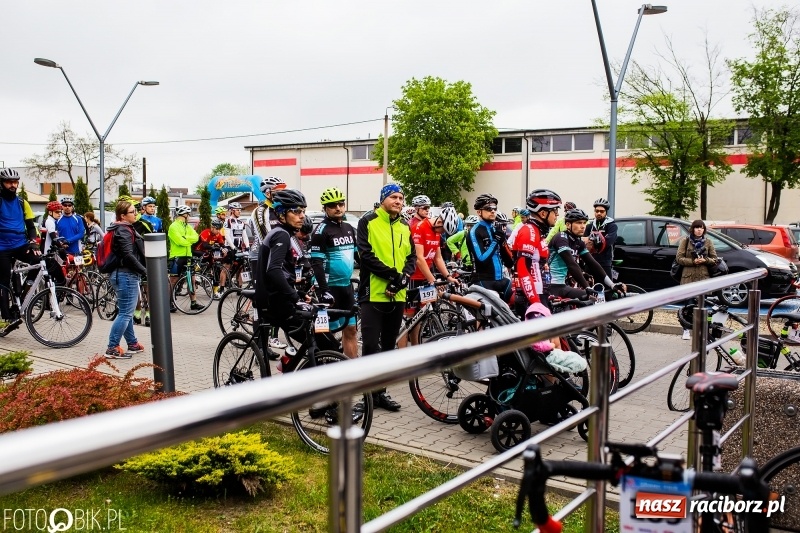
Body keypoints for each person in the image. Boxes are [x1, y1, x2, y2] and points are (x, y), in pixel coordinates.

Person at [356, 184, 416, 411]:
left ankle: (381, 393)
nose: (399, 201)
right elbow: (365, 255)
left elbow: (411, 257)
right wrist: (392, 275)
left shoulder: (404, 225)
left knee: (389, 347)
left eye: (401, 197)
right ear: (383, 199)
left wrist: (403, 278)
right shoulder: (368, 221)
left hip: (397, 293)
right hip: (373, 293)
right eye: (394, 197)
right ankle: (367, 397)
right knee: (371, 346)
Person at [310, 187, 358, 358]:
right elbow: (316, 263)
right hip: (329, 288)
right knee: (326, 334)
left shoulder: (349, 228)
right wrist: (323, 291)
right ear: (325, 208)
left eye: (341, 204)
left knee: (351, 329)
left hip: (346, 286)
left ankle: (352, 371)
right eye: (332, 205)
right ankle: (325, 367)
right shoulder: (321, 231)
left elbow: (359, 255)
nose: (338, 208)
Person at [399, 212, 458, 348]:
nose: (442, 233)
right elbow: (419, 258)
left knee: (419, 318)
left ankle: (416, 351)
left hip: (425, 278)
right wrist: (433, 281)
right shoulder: (420, 227)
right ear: (438, 222)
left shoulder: (437, 232)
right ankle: (401, 357)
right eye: (442, 230)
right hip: (412, 277)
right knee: (406, 320)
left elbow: (437, 258)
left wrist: (448, 276)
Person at [548, 208, 624, 300]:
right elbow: (571, 264)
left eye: (584, 223)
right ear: (568, 225)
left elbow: (592, 263)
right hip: (550, 285)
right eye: (579, 223)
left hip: (562, 285)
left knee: (592, 300)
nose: (583, 226)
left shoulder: (578, 242)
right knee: (589, 298)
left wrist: (612, 285)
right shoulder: (561, 238)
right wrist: (587, 287)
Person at [248, 176, 288, 349]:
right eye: (279, 191)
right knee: (262, 304)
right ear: (268, 192)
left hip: (277, 258)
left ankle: (271, 338)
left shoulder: (281, 210)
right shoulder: (260, 211)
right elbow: (265, 237)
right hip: (260, 258)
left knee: (278, 300)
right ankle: (260, 346)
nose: (282, 194)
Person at [104, 200, 147, 359]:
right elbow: (128, 255)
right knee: (125, 314)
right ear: (122, 215)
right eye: (132, 212)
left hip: (121, 274)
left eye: (135, 211)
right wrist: (144, 271)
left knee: (126, 312)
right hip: (126, 274)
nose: (135, 214)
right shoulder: (123, 230)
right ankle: (112, 347)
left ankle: (132, 344)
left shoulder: (121, 228)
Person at [0, 169, 41, 324]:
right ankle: (8, 317)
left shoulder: (22, 203)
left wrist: (33, 242)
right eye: (9, 182)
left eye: (15, 182)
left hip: (19, 244)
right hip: (2, 247)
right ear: (2, 183)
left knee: (39, 262)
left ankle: (24, 293)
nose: (13, 185)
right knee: (4, 279)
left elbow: (31, 226)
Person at [512, 189, 562, 309]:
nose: (557, 214)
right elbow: (523, 269)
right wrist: (535, 302)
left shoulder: (538, 231)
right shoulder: (529, 231)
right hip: (530, 298)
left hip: (540, 294)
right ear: (543, 213)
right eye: (555, 210)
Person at [465, 193, 514, 301]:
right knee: (492, 313)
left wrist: (502, 243)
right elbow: (481, 259)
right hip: (483, 281)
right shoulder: (474, 232)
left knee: (520, 301)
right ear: (479, 212)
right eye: (488, 208)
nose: (492, 211)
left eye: (494, 208)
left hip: (500, 280)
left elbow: (510, 262)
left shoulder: (496, 229)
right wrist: (495, 241)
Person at [676, 219, 718, 340]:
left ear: (704, 229)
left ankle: (700, 330)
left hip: (702, 277)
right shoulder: (685, 240)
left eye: (701, 228)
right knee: (688, 305)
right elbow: (679, 258)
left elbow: (714, 259)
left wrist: (705, 260)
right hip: (688, 276)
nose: (699, 230)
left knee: (701, 304)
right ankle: (686, 330)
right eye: (697, 227)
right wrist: (693, 261)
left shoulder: (708, 242)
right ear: (693, 229)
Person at [168, 205, 201, 312]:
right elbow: (179, 241)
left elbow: (196, 238)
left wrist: (185, 238)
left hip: (188, 255)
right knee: (173, 280)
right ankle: (169, 302)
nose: (190, 216)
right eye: (189, 214)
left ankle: (194, 303)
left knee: (191, 279)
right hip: (177, 256)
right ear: (184, 215)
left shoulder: (187, 227)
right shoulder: (173, 226)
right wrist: (187, 240)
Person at [584, 198, 618, 279]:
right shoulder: (589, 226)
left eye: (602, 211)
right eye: (597, 211)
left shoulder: (611, 226)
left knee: (608, 288)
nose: (599, 213)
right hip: (590, 261)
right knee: (587, 286)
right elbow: (584, 241)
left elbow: (608, 242)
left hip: (604, 261)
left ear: (606, 212)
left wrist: (592, 241)